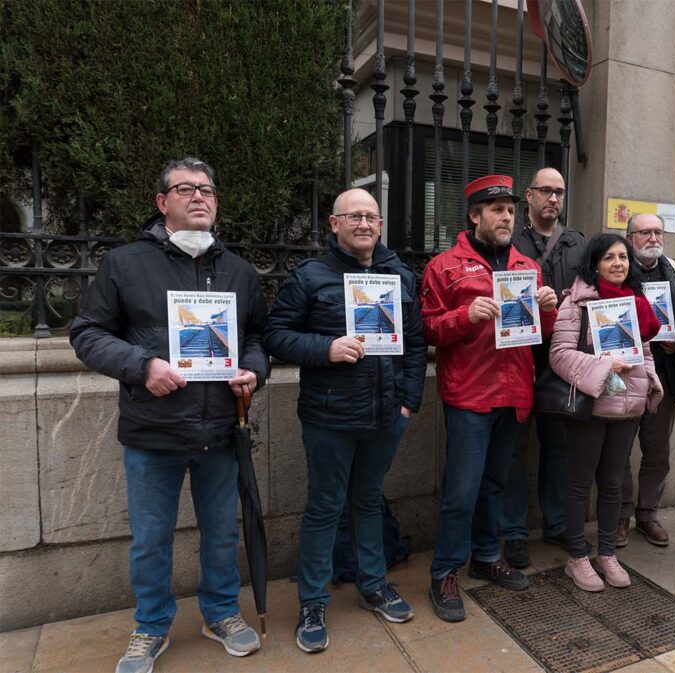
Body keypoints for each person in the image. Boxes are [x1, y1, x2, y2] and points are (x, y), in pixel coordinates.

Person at [69, 158, 269, 673]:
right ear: (163, 203)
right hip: (153, 430)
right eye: (186, 189)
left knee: (222, 532)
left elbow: (256, 339)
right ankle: (151, 626)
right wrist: (142, 366)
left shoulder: (239, 271)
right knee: (152, 539)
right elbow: (87, 334)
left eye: (207, 189)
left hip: (221, 429)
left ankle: (221, 613)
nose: (199, 196)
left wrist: (252, 370)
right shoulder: (125, 264)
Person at [262, 188, 426, 652]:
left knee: (369, 500)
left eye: (371, 217)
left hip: (385, 414)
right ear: (333, 224)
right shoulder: (310, 275)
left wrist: (407, 401)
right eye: (354, 216)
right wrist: (326, 349)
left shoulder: (398, 275)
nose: (364, 224)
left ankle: (373, 585)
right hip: (330, 417)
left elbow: (415, 343)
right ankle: (312, 602)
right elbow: (276, 335)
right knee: (324, 507)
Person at [421, 174, 558, 622]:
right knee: (461, 491)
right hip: (468, 394)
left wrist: (550, 310)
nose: (506, 216)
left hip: (513, 391)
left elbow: (542, 338)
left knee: (494, 485)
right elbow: (425, 328)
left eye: (511, 210)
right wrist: (465, 316)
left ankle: (485, 554)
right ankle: (445, 571)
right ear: (475, 215)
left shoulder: (527, 267)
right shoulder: (445, 266)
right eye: (497, 209)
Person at [549, 233, 663, 592]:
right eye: (610, 257)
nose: (618, 264)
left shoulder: (636, 304)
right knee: (581, 483)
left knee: (613, 484)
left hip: (627, 408)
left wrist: (649, 381)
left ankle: (608, 554)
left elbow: (644, 352)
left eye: (623, 257)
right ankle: (577, 557)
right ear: (594, 263)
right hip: (590, 406)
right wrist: (601, 366)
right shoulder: (576, 303)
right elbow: (560, 355)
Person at [501, 167, 587, 568]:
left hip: (560, 361)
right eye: (546, 191)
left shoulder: (577, 244)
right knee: (514, 450)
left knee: (558, 447)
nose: (554, 199)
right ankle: (514, 531)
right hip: (515, 358)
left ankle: (555, 523)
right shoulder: (508, 239)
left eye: (560, 192)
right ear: (529, 195)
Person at [618, 213, 675, 548]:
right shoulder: (616, 267)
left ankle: (647, 515)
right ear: (630, 237)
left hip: (663, 374)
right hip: (625, 375)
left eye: (658, 231)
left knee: (657, 452)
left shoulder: (674, 272)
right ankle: (619, 517)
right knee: (617, 453)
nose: (652, 238)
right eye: (644, 232)